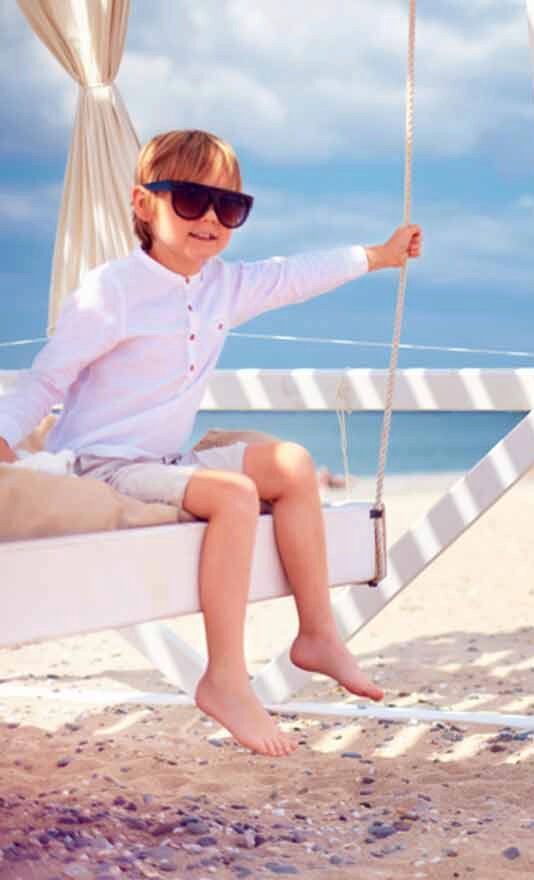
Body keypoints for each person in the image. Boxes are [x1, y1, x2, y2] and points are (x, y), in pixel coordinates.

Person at [0, 130, 423, 757]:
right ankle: (225, 676)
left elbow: (295, 275)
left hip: (167, 462)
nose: (211, 220)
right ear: (145, 205)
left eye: (229, 207)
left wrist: (381, 256)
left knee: (292, 464)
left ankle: (318, 635)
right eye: (192, 200)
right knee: (234, 495)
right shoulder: (110, 291)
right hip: (103, 467)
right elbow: (48, 378)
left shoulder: (223, 285)